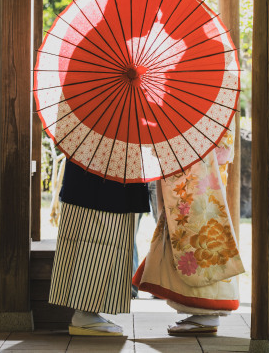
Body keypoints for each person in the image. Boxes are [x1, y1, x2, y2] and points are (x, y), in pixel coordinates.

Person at [133, 126, 244, 335]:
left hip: (196, 159)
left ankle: (206, 311)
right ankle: (204, 312)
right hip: (196, 155)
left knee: (197, 236)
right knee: (195, 234)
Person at [48, 159, 153, 336]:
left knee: (107, 239)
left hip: (106, 168)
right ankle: (84, 313)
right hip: (99, 173)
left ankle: (88, 312)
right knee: (96, 239)